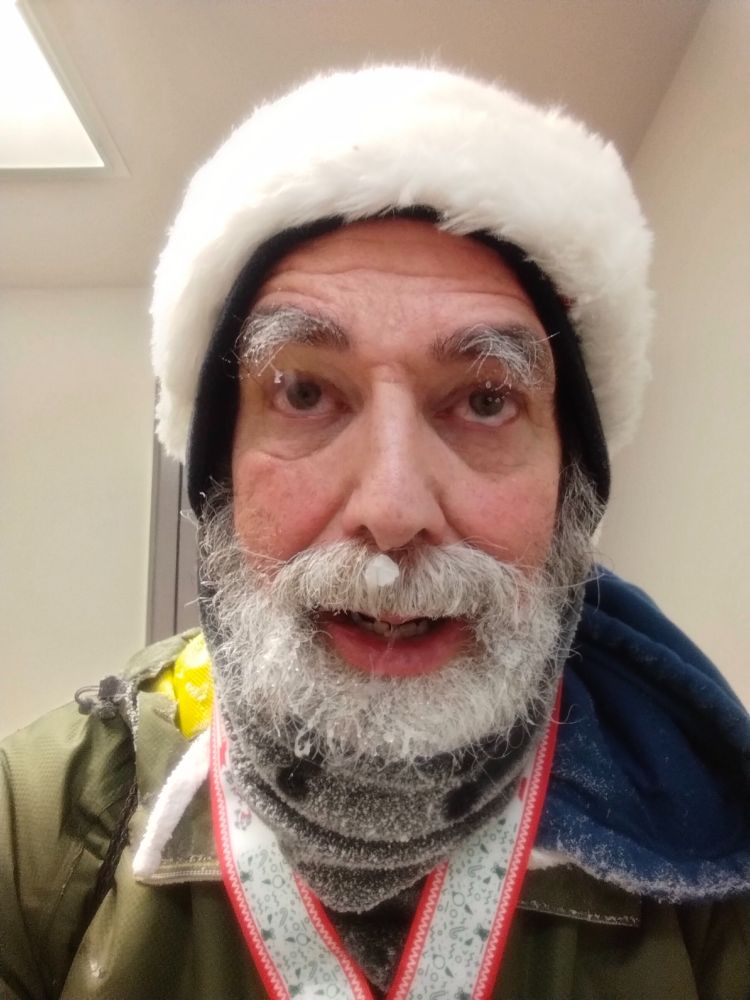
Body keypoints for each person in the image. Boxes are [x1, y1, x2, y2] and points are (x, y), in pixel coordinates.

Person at [1, 65, 748, 1000]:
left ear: (573, 492)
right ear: (216, 476)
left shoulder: (718, 870)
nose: (393, 512)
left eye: (484, 399)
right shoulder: (46, 828)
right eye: (305, 392)